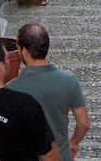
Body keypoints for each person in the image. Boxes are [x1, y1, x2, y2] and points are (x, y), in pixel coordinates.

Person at [7, 23, 90, 161]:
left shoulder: (12, 89)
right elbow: (84, 123)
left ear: (25, 52)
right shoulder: (68, 80)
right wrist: (74, 142)